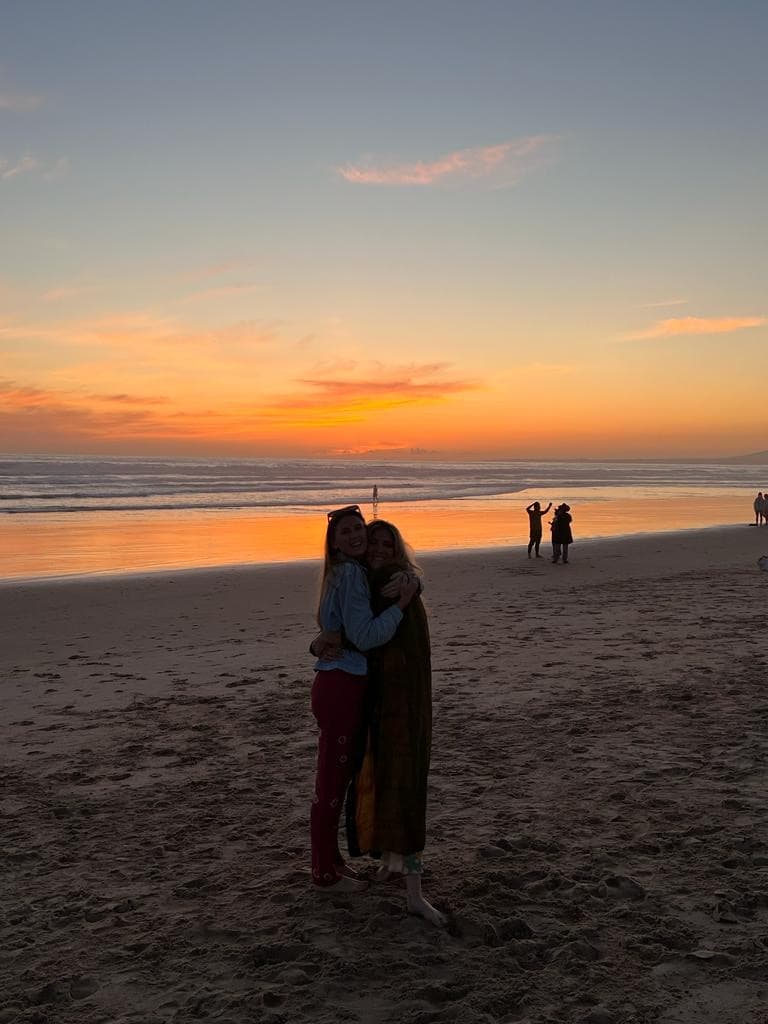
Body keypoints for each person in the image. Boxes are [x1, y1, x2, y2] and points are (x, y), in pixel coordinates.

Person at [310, 505, 419, 894]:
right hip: (343, 685)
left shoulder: (337, 574)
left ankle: (332, 861)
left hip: (330, 684)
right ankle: (324, 873)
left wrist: (410, 582)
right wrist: (402, 607)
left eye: (359, 528)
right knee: (332, 782)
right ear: (334, 542)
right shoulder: (352, 575)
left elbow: (330, 629)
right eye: (347, 532)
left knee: (333, 779)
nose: (357, 536)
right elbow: (368, 636)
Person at [346, 519, 444, 926]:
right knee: (390, 779)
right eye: (374, 542)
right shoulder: (385, 580)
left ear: (397, 548)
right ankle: (390, 863)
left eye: (388, 543)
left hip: (400, 703)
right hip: (392, 699)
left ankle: (414, 892)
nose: (379, 549)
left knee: (401, 785)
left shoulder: (387, 580)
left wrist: (411, 582)